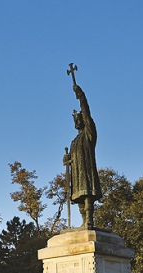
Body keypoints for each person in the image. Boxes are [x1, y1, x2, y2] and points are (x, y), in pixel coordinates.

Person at [63, 82, 101, 229]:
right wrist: (68, 160)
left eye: (79, 119)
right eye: (75, 120)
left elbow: (86, 113)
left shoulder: (89, 133)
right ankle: (83, 222)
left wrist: (81, 96)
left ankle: (89, 220)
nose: (77, 121)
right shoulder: (74, 142)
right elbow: (72, 158)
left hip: (86, 170)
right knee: (78, 195)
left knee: (87, 193)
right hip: (77, 174)